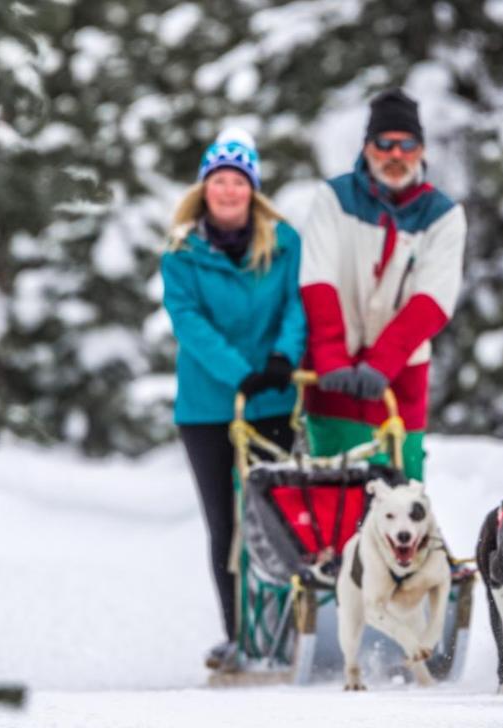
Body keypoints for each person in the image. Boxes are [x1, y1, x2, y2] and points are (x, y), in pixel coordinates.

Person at [162, 128, 305, 673]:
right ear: (204, 189)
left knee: (279, 516)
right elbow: (188, 322)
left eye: (237, 181)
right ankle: (238, 633)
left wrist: (281, 360)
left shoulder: (285, 242)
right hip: (208, 407)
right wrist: (239, 373)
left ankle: (290, 629)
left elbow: (297, 306)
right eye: (218, 181)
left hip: (273, 398)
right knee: (226, 524)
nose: (228, 190)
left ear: (252, 189)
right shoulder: (181, 253)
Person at [298, 88, 466, 482]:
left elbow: (433, 299)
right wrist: (331, 355)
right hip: (334, 377)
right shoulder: (334, 199)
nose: (395, 155)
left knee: (402, 499)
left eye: (406, 144)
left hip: (399, 380)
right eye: (384, 144)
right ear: (367, 147)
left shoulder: (442, 216)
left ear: (420, 149)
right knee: (334, 495)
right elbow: (317, 279)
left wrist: (382, 362)